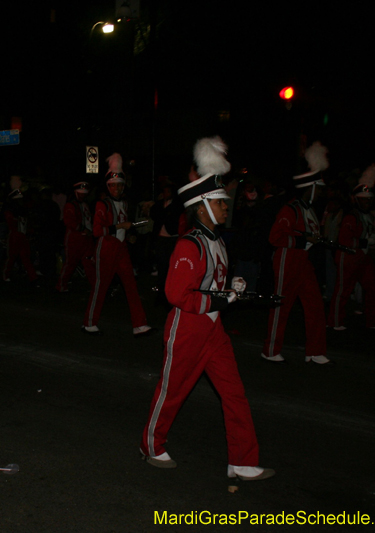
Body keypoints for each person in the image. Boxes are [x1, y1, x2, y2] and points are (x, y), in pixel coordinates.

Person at [140, 137, 274, 481]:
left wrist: (232, 288)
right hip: (187, 329)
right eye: (219, 202)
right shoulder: (189, 244)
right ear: (201, 208)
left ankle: (242, 460)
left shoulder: (217, 241)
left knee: (234, 393)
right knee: (172, 392)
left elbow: (211, 284)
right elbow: (176, 295)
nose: (226, 206)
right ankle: (151, 445)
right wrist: (221, 299)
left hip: (213, 330)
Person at [261, 142, 332, 365]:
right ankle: (270, 350)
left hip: (303, 261)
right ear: (311, 188)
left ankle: (315, 350)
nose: (321, 193)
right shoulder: (290, 209)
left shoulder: (309, 210)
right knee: (281, 306)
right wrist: (305, 239)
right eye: (319, 188)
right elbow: (275, 237)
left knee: (315, 305)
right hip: (287, 259)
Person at [81, 153, 152, 337]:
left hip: (121, 248)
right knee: (100, 286)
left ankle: (139, 324)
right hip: (106, 247)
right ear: (108, 186)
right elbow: (97, 231)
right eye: (113, 185)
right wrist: (120, 227)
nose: (117, 188)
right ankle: (89, 323)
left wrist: (129, 236)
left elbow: (123, 226)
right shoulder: (102, 204)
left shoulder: (125, 203)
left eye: (120, 185)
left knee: (131, 285)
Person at [327, 165, 375, 330]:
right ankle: (334, 322)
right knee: (343, 290)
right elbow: (344, 240)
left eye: (369, 199)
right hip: (348, 256)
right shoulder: (351, 216)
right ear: (356, 200)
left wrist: (368, 241)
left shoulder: (368, 216)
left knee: (373, 287)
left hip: (362, 256)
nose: (367, 202)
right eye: (363, 199)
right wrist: (365, 242)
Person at [56, 180, 96, 292]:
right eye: (80, 193)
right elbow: (69, 222)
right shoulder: (70, 205)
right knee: (70, 263)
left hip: (87, 239)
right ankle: (61, 285)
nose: (82, 195)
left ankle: (96, 286)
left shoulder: (85, 204)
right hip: (74, 239)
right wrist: (83, 229)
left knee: (89, 262)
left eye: (84, 193)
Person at [2, 176, 39, 283]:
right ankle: (6, 275)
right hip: (15, 236)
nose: (21, 201)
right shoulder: (10, 211)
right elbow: (11, 222)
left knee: (25, 257)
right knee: (12, 257)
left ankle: (33, 277)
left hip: (22, 236)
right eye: (18, 200)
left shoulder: (23, 210)